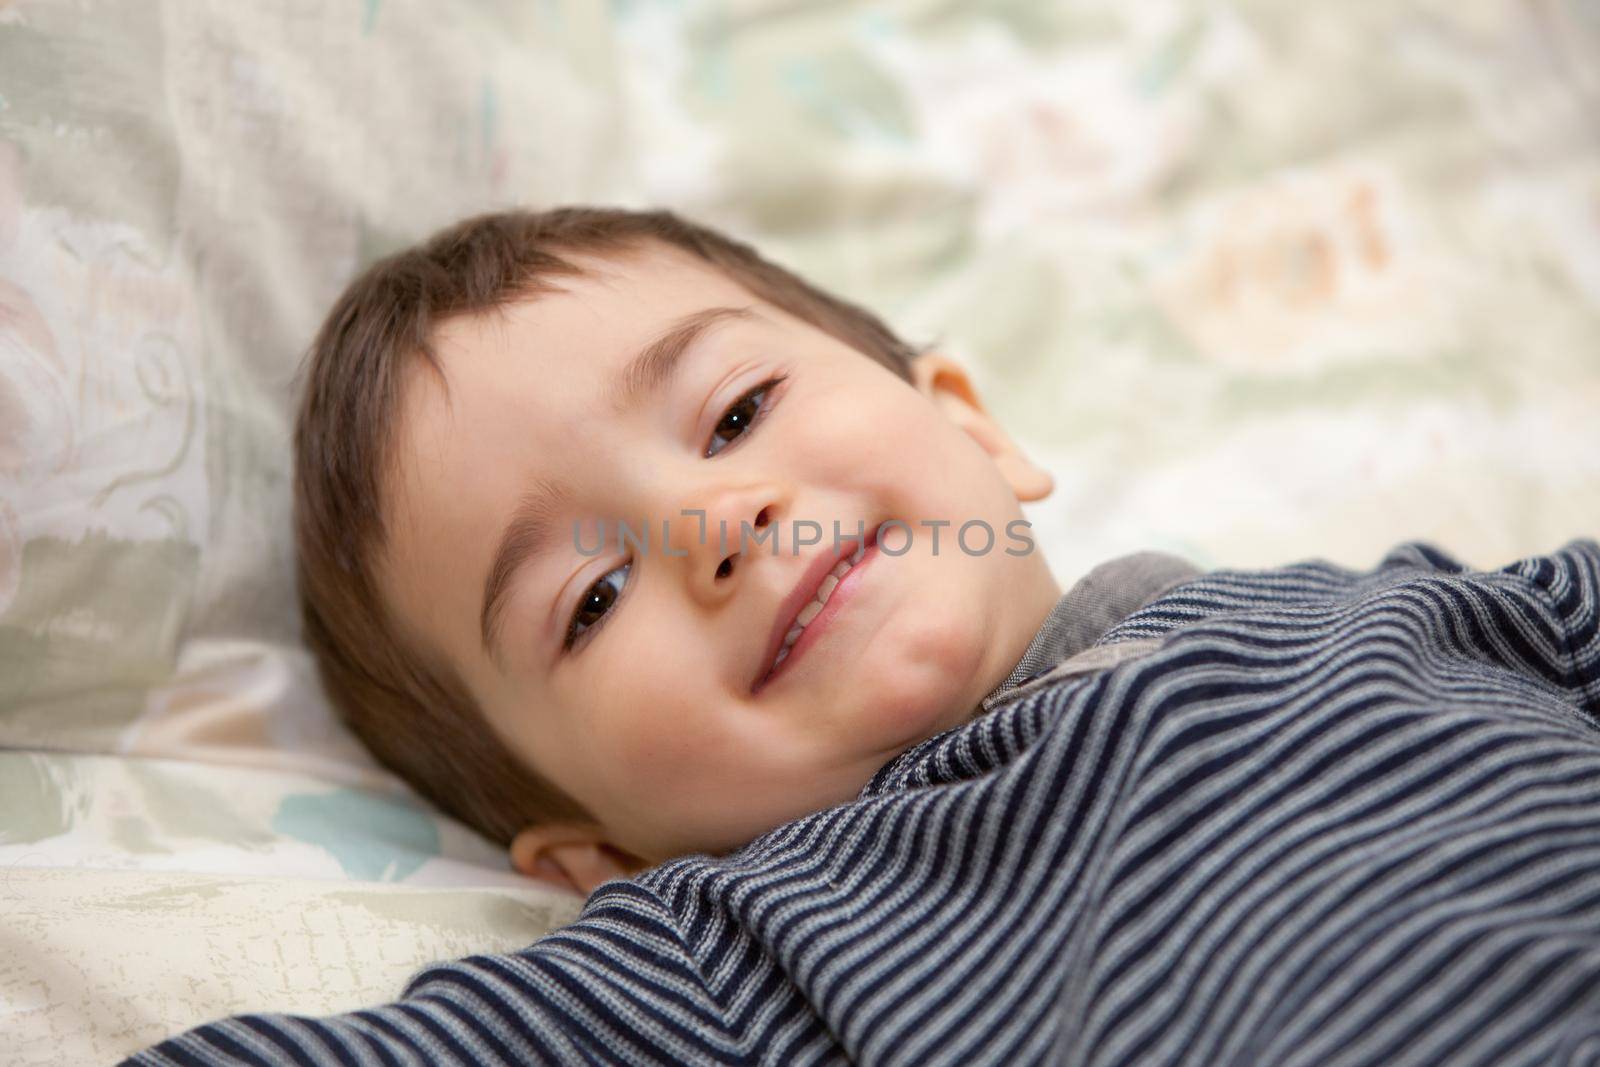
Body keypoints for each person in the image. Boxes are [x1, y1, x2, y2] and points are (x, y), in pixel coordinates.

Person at [122, 207, 1600, 1065]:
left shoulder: (1388, 613)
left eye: (737, 413)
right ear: (595, 856)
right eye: (589, 600)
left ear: (972, 421)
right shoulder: (733, 955)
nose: (717, 522)